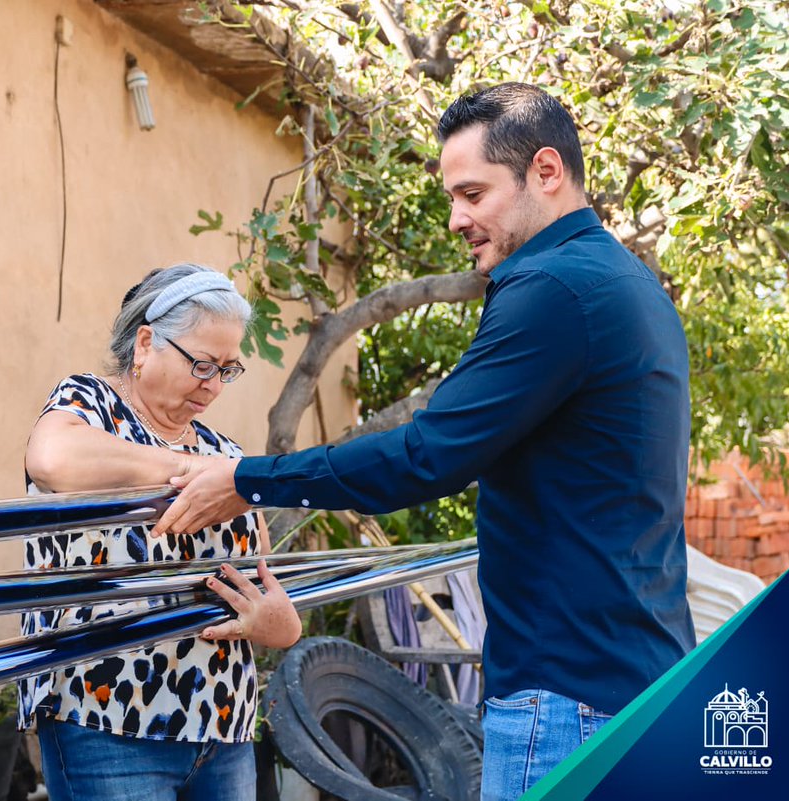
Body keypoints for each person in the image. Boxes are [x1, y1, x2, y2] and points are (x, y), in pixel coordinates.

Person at [154, 84, 696, 799]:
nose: (456, 218)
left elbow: (427, 455)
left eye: (473, 193)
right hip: (642, 681)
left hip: (569, 699)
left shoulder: (554, 287)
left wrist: (247, 478)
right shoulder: (630, 284)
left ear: (546, 171)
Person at [19, 264, 302, 801]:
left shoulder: (227, 454)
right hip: (107, 722)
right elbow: (51, 458)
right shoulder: (90, 405)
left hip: (223, 726)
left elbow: (263, 578)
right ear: (146, 343)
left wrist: (280, 626)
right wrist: (190, 470)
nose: (214, 385)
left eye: (227, 369)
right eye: (201, 363)